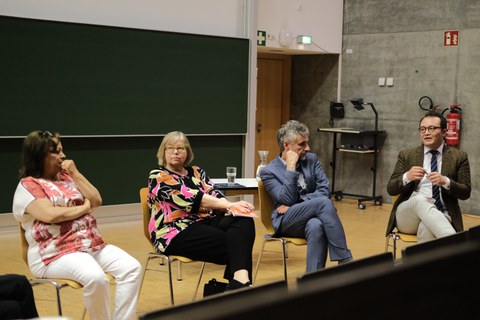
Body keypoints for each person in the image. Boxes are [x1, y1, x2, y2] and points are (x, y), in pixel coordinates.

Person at [12, 130, 142, 320]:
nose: (62, 156)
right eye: (55, 151)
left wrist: (75, 172)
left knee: (132, 268)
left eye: (62, 150)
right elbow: (51, 215)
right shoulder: (29, 185)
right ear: (38, 156)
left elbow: (96, 200)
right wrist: (83, 208)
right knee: (96, 278)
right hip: (54, 254)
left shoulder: (67, 176)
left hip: (90, 246)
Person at [147, 131, 256, 290]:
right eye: (170, 148)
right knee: (237, 243)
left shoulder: (197, 172)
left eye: (181, 148)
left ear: (187, 152)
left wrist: (231, 206)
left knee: (243, 220)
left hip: (204, 221)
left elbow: (214, 193)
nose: (176, 152)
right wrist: (227, 205)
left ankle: (240, 282)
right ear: (163, 152)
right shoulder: (158, 176)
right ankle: (240, 286)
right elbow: (190, 197)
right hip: (174, 231)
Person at [260, 120, 352, 272]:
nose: (307, 148)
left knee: (316, 225)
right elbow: (286, 200)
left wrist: (300, 203)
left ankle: (312, 283)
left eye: (307, 143)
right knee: (323, 203)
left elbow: (324, 190)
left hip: (305, 215)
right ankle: (345, 259)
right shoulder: (269, 172)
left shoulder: (312, 160)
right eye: (301, 144)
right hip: (287, 220)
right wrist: (290, 167)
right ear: (286, 145)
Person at [386, 111, 471, 242]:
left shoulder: (459, 157)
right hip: (408, 216)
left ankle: (423, 262)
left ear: (443, 132)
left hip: (442, 214)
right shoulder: (407, 155)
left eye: (431, 128)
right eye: (422, 129)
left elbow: (465, 192)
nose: (426, 132)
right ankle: (457, 245)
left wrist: (446, 182)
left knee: (427, 228)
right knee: (420, 200)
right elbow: (391, 189)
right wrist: (407, 176)